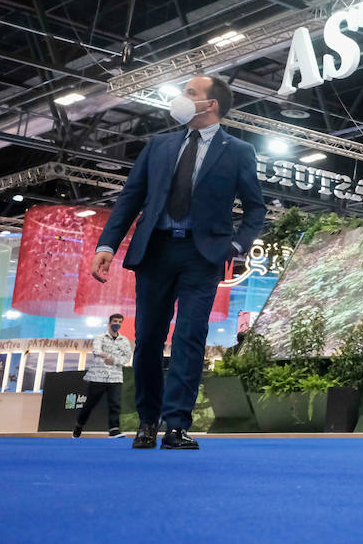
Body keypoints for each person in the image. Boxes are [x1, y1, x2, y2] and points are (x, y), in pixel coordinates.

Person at [92, 74, 265, 451]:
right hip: (154, 251)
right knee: (149, 339)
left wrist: (234, 247)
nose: (180, 99)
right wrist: (106, 244)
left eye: (189, 93)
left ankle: (176, 425)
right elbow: (130, 198)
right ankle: (147, 422)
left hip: (202, 257)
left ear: (210, 104)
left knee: (190, 337)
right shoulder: (158, 145)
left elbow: (256, 209)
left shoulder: (238, 151)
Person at [73, 313, 132, 438]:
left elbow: (127, 357)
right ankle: (79, 426)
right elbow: (97, 351)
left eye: (120, 322)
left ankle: (114, 430)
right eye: (115, 321)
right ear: (109, 322)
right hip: (98, 376)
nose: (117, 324)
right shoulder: (100, 337)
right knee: (90, 404)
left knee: (115, 404)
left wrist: (113, 360)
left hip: (116, 377)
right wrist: (108, 356)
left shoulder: (124, 340)